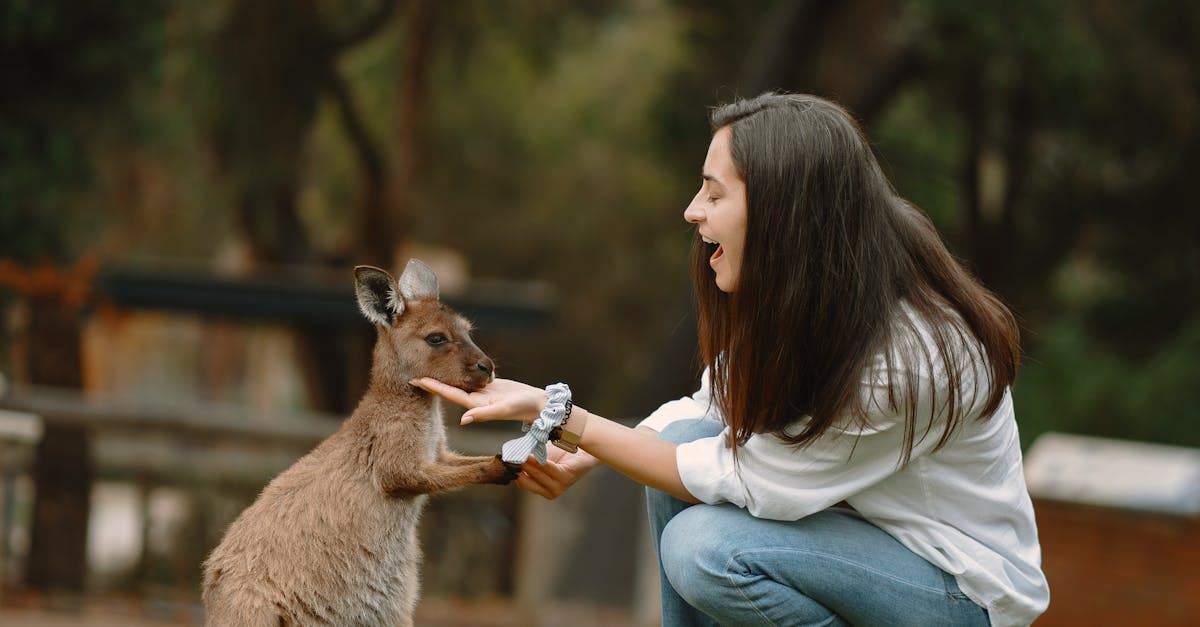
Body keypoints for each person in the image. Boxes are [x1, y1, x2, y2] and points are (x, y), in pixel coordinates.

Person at [414, 92, 1050, 627]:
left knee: (707, 549)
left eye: (714, 195)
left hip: (960, 591)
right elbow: (709, 408)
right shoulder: (823, 291)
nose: (693, 211)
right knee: (684, 446)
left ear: (782, 212)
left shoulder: (909, 357)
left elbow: (745, 480)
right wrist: (587, 452)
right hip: (863, 542)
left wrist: (565, 417)